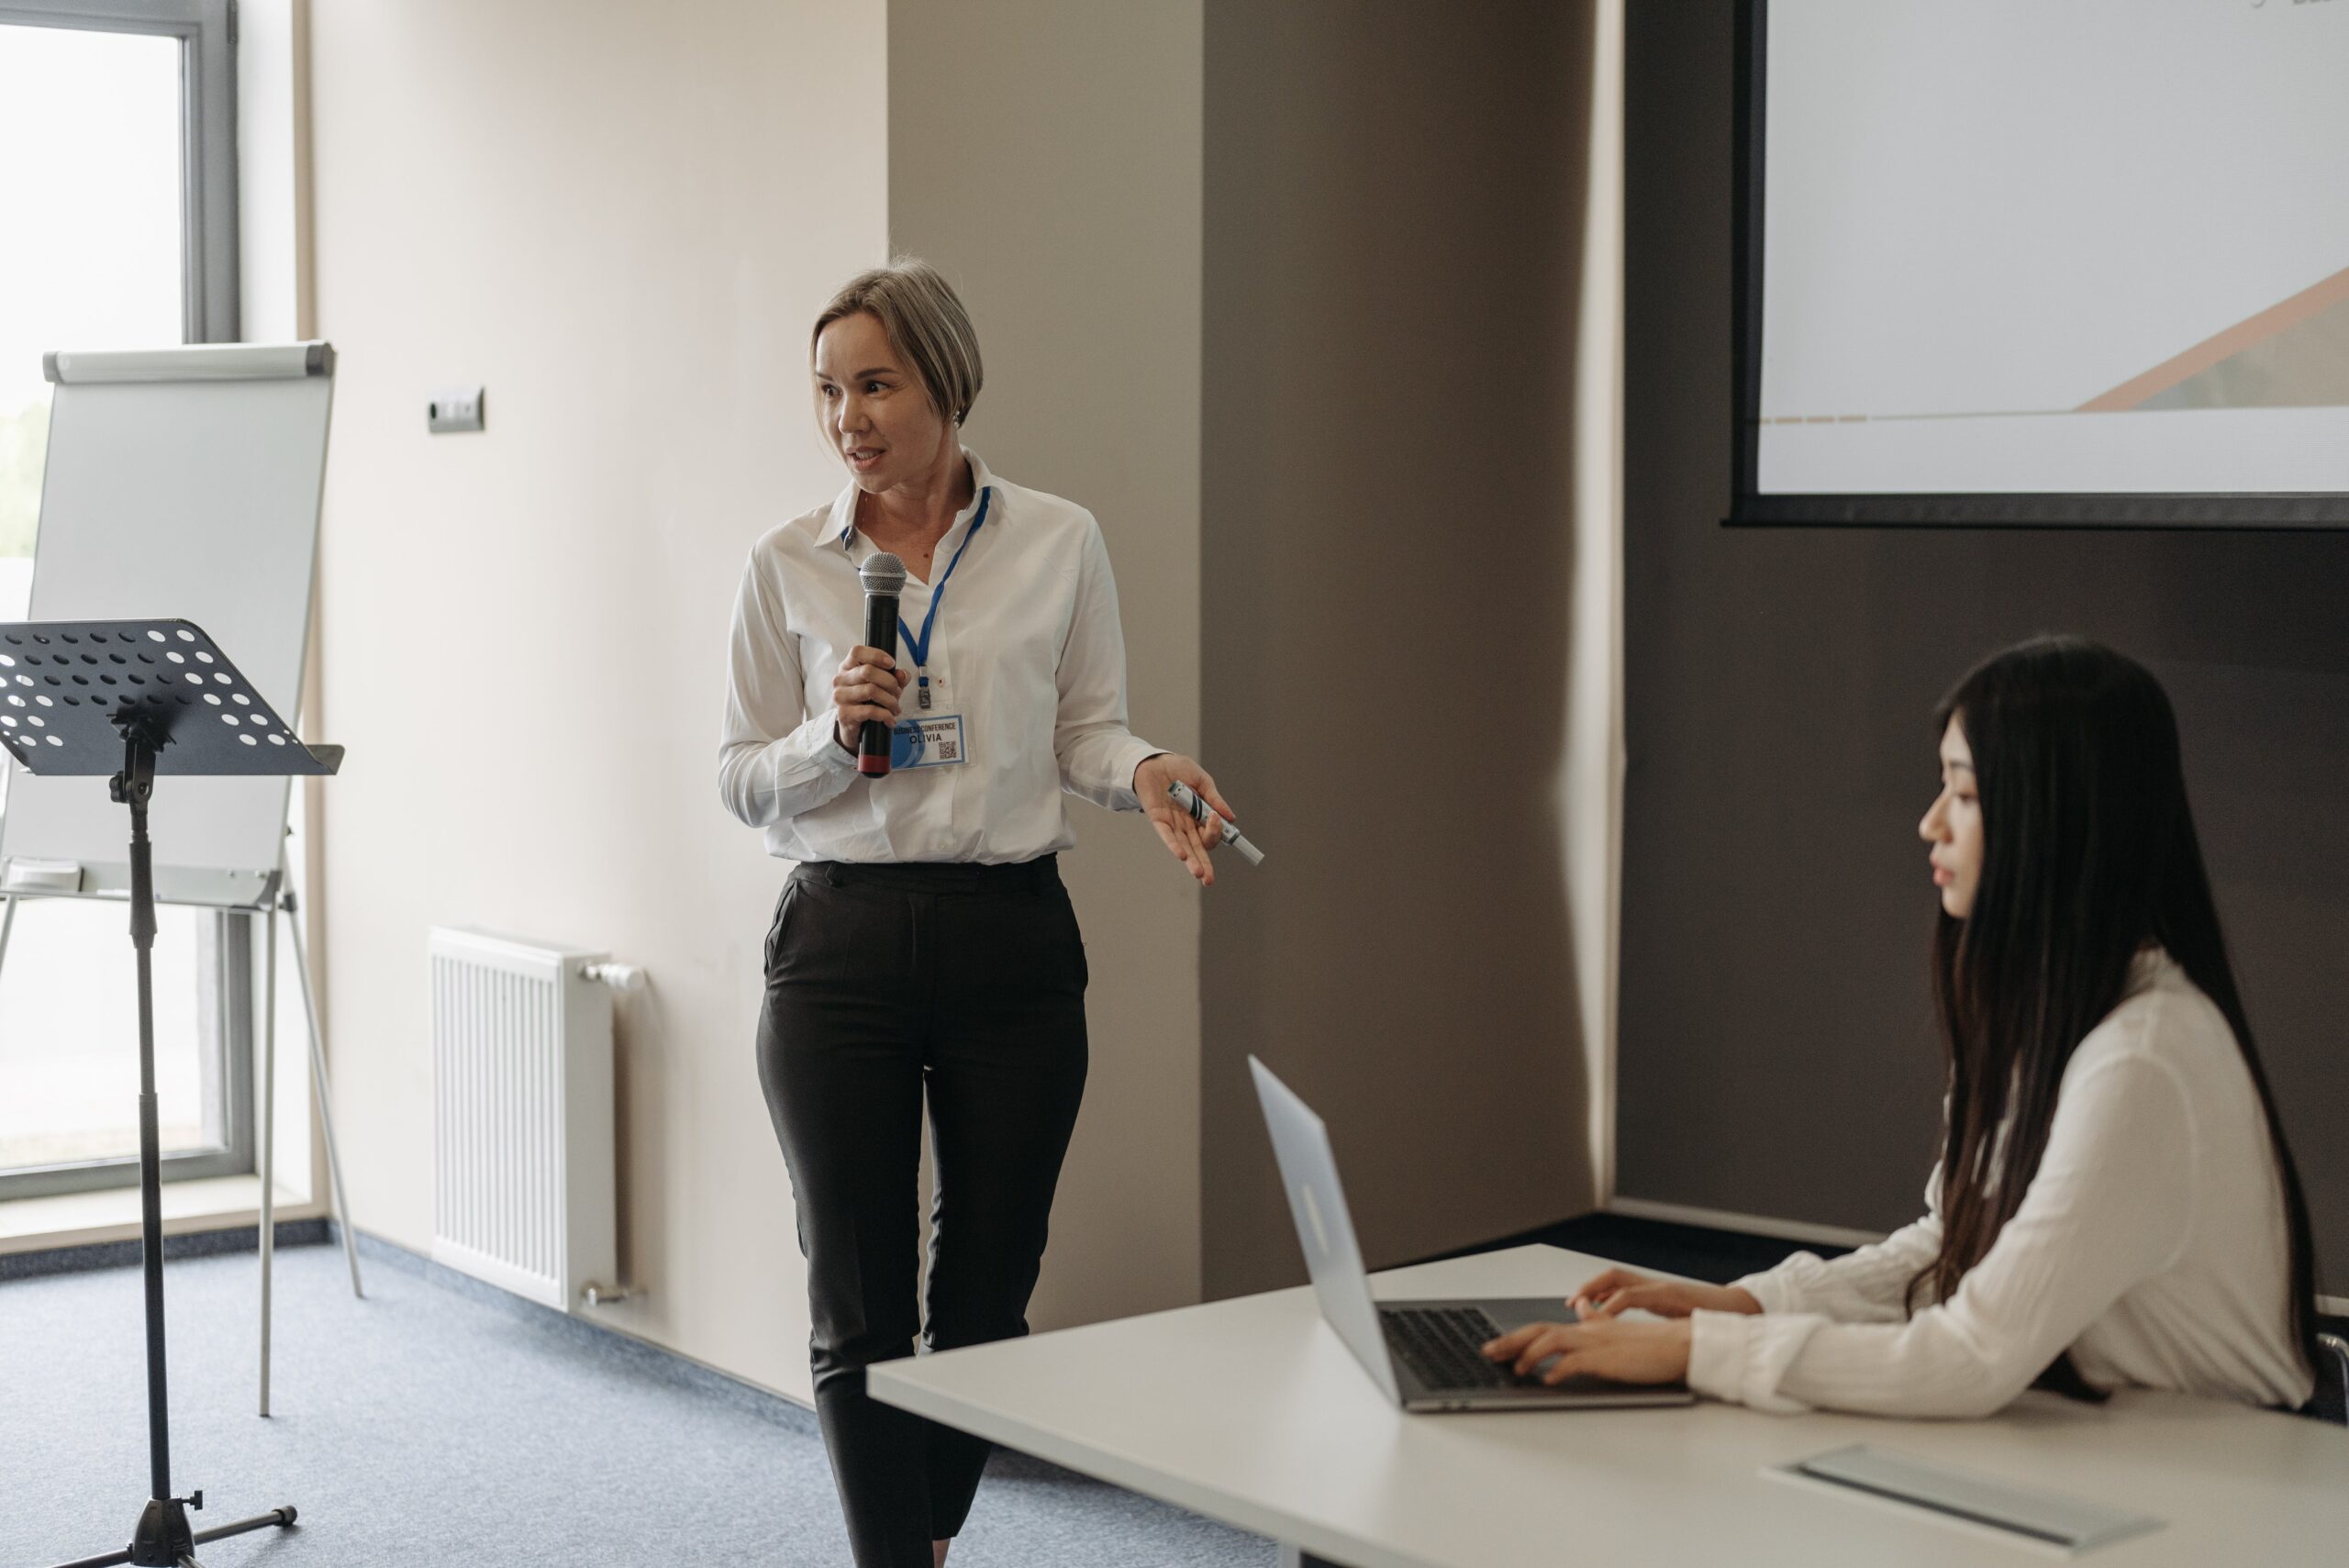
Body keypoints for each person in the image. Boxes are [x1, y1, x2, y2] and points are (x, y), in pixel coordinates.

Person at [718, 258, 1232, 1568]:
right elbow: (737, 775)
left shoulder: (1059, 539)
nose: (849, 416)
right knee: (857, 1302)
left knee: (989, 1295)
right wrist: (831, 739)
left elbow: (1089, 733)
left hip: (1009, 937)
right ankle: (899, 1558)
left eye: (876, 383)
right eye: (829, 390)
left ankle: (921, 1530)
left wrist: (1150, 771)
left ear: (945, 381)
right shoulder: (785, 563)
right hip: (836, 946)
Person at [1484, 637, 2321, 1418]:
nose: (1930, 822)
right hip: (2120, 1448)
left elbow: (1972, 1354)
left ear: (2054, 823)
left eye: (1963, 792)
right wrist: (1745, 1301)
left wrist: (1700, 1349)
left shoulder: (2143, 1060)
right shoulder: (2054, 1013)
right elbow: (1948, 1248)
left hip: (2231, 1484)